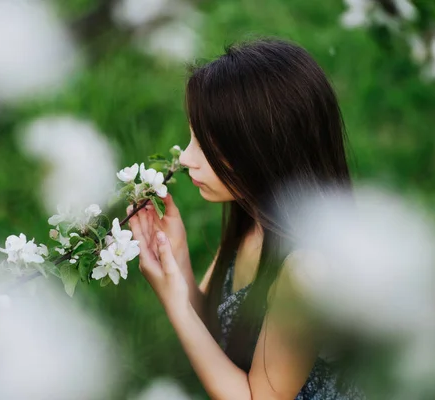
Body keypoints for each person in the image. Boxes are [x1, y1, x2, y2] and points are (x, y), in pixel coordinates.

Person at [128, 38, 364, 399]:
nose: (188, 158)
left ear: (262, 149)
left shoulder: (306, 270)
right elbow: (215, 329)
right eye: (193, 136)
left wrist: (174, 303)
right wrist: (176, 257)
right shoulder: (253, 216)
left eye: (206, 144)